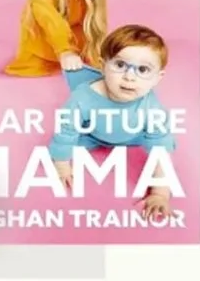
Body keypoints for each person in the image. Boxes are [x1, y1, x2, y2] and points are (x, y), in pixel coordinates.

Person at [48, 24, 175, 219]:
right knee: (58, 149)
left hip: (135, 136)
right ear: (103, 65)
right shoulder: (83, 97)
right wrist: (62, 165)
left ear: (158, 78)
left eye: (143, 69)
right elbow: (66, 130)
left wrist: (160, 193)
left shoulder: (151, 108)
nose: (129, 77)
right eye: (120, 65)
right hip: (92, 134)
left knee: (163, 143)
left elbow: (160, 150)